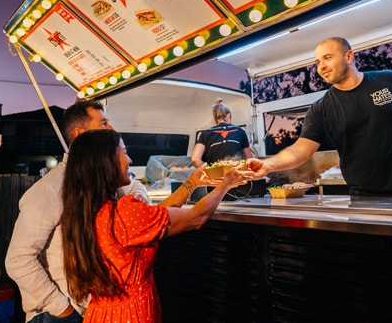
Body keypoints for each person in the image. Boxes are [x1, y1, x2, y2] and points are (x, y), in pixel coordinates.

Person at [60, 129, 250, 322]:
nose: (130, 160)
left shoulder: (86, 212)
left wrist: (192, 182)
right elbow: (196, 218)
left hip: (101, 314)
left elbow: (154, 217)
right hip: (131, 314)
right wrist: (227, 182)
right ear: (106, 162)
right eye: (124, 152)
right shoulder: (124, 212)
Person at [246, 37, 392, 197]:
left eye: (327, 58)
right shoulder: (321, 108)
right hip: (364, 198)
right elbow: (300, 151)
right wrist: (269, 165)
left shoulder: (391, 81)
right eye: (318, 62)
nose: (321, 67)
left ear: (349, 56)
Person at [5, 100, 149, 323]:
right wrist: (63, 310)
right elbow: (18, 259)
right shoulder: (50, 189)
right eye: (103, 124)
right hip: (57, 314)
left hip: (92, 308)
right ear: (79, 134)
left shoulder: (101, 179)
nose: (110, 130)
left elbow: (137, 191)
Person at [191, 98, 252, 167]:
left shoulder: (205, 134)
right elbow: (249, 159)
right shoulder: (240, 131)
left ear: (214, 119)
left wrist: (210, 172)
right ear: (228, 115)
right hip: (236, 174)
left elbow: (195, 159)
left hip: (215, 176)